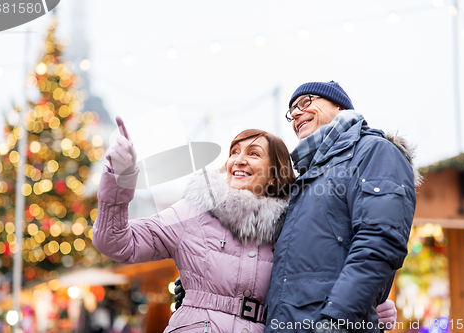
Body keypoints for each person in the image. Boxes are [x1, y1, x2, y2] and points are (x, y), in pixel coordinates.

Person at [93, 118, 398, 333]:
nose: (238, 160)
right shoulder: (195, 211)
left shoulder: (294, 230)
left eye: (253, 153)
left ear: (276, 171)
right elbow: (117, 243)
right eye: (234, 152)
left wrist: (368, 313)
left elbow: (320, 285)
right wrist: (118, 182)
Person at [263, 81, 420, 333]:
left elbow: (379, 242)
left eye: (306, 102)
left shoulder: (373, 152)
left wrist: (339, 319)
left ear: (339, 105)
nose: (296, 114)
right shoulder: (305, 178)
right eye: (291, 111)